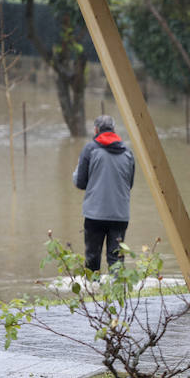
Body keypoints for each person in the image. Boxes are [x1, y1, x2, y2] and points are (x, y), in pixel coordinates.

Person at [73, 115, 136, 273]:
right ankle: (118, 295)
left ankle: (92, 294)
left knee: (92, 259)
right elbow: (129, 185)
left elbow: (80, 183)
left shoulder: (90, 149)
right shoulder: (128, 152)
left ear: (96, 130)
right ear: (114, 130)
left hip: (95, 215)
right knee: (116, 260)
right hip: (120, 215)